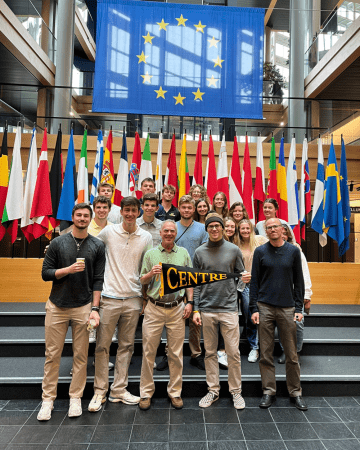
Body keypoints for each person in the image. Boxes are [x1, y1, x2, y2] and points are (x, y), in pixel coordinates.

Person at [38, 203, 105, 421]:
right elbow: (45, 274)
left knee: (81, 356)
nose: (83, 218)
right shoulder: (57, 242)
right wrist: (67, 270)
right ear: (73, 217)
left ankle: (75, 398)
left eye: (86, 215)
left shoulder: (97, 245)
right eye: (79, 215)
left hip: (83, 306)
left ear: (90, 218)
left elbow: (98, 280)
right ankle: (47, 400)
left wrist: (95, 308)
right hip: (57, 306)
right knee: (52, 355)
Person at [88, 196, 152, 412]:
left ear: (139, 211)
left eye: (134, 210)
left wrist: (144, 298)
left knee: (126, 347)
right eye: (127, 210)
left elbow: (146, 269)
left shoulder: (146, 236)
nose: (130, 214)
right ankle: (99, 391)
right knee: (102, 346)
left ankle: (118, 390)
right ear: (121, 211)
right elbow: (94, 256)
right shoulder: (108, 232)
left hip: (133, 299)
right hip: (109, 298)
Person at [250, 217, 307, 411]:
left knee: (291, 354)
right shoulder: (259, 252)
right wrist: (254, 309)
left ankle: (295, 392)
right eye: (269, 228)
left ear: (283, 230)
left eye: (275, 227)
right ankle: (268, 391)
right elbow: (255, 283)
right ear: (266, 232)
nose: (272, 230)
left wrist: (299, 308)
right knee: (265, 354)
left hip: (287, 307)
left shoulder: (293, 251)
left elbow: (299, 282)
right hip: (264, 306)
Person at [138, 220, 193, 410]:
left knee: (176, 353)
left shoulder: (184, 254)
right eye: (166, 231)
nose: (169, 233)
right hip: (154, 307)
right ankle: (145, 393)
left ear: (175, 233)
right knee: (148, 353)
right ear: (160, 233)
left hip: (177, 307)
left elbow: (190, 281)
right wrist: (151, 274)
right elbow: (141, 280)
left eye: (172, 231)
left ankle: (175, 392)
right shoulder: (151, 254)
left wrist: (190, 302)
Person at [193, 214, 246, 409]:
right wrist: (196, 309)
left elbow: (241, 277)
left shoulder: (233, 250)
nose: (214, 229)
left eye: (217, 226)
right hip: (206, 309)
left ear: (223, 228)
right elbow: (196, 283)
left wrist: (239, 286)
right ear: (207, 229)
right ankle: (213, 390)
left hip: (229, 309)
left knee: (233, 353)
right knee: (209, 353)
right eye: (211, 226)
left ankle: (236, 392)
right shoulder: (199, 252)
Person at [155, 195, 208, 372]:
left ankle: (196, 353)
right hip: (174, 279)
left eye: (189, 207)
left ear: (194, 209)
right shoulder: (172, 228)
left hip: (195, 279)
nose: (186, 210)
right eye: (183, 207)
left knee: (195, 319)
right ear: (179, 208)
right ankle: (168, 353)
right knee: (171, 320)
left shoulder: (202, 228)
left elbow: (205, 252)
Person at [278, 224, 313, 365]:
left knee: (297, 323)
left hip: (294, 295)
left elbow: (305, 274)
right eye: (281, 233)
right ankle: (285, 351)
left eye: (285, 233)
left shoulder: (296, 250)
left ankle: (296, 351)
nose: (283, 236)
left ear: (289, 235)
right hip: (277, 294)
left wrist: (307, 295)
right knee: (281, 323)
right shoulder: (270, 250)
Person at [238, 219, 268, 363]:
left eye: (247, 228)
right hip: (245, 286)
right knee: (249, 315)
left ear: (251, 229)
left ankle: (262, 346)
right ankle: (254, 346)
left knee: (263, 315)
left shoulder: (260, 240)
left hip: (262, 284)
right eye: (242, 228)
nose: (245, 231)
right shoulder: (236, 245)